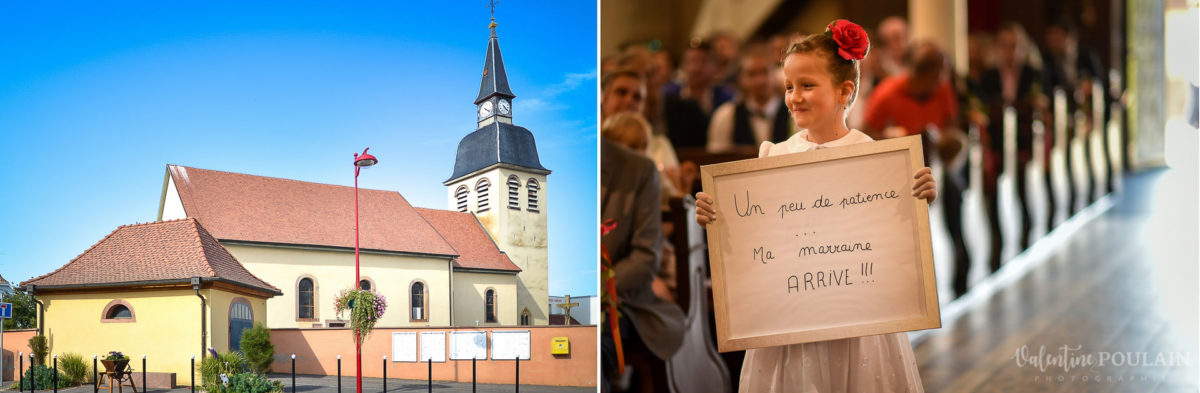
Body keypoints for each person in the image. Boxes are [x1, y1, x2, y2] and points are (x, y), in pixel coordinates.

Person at [695, 20, 934, 392]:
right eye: (789, 86)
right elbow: (754, 236)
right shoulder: (773, 156)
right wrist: (716, 215)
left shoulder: (874, 157)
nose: (794, 97)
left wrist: (919, 195)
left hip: (859, 320)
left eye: (807, 85)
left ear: (844, 90)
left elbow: (894, 235)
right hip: (790, 324)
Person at [863, 42, 971, 297]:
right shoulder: (887, 93)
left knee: (955, 195)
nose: (942, 80)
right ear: (924, 73)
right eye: (938, 74)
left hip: (940, 166)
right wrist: (894, 136)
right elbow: (866, 134)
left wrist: (941, 139)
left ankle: (959, 272)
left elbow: (952, 126)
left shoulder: (942, 89)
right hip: (903, 174)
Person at [601, 138, 686, 393]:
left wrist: (601, 288)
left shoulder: (638, 169)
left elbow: (645, 257)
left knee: (593, 343)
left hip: (625, 299)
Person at [707, 49, 792, 153]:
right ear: (741, 79)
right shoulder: (726, 115)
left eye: (765, 72)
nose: (759, 80)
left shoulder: (793, 112)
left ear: (774, 74)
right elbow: (717, 158)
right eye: (752, 74)